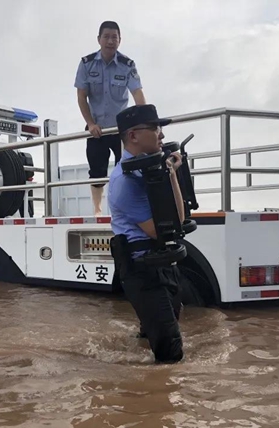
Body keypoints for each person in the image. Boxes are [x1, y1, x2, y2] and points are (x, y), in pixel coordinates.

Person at [108, 104, 187, 364]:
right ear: (133, 136)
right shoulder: (125, 182)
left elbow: (179, 219)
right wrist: (172, 176)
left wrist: (172, 173)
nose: (161, 135)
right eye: (155, 129)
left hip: (160, 263)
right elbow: (163, 229)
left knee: (154, 335)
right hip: (143, 270)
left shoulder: (145, 169)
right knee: (171, 355)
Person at [74, 20, 147, 216]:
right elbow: (81, 97)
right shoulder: (87, 64)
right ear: (99, 39)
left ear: (120, 40)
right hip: (96, 128)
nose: (110, 41)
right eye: (106, 36)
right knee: (96, 172)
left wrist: (145, 122)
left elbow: (138, 95)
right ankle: (97, 210)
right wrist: (90, 123)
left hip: (120, 129)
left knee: (126, 170)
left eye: (114, 37)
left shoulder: (127, 65)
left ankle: (122, 208)